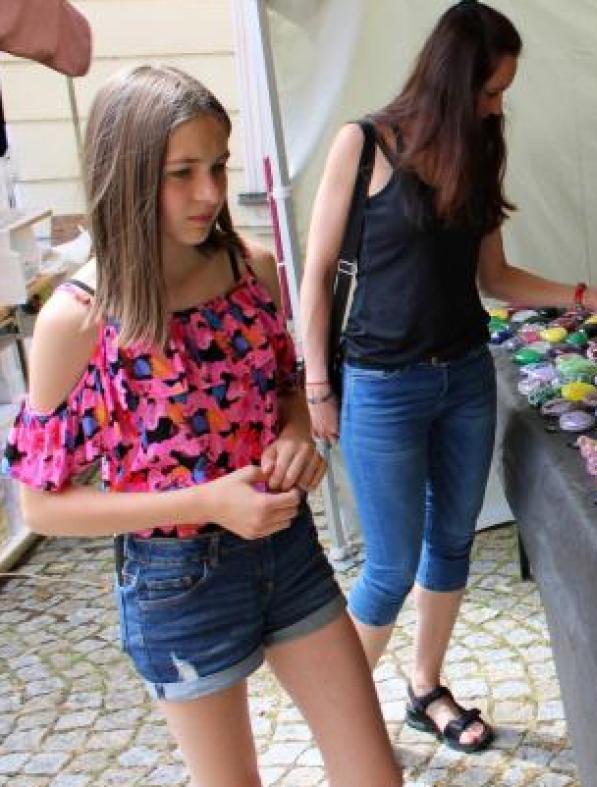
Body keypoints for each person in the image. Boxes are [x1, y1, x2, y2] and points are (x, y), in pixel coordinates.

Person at [3, 66, 402, 787]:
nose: (211, 192)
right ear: (126, 176)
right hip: (175, 579)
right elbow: (42, 507)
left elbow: (284, 387)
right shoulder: (80, 317)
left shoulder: (250, 267)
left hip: (287, 547)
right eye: (182, 173)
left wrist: (295, 435)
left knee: (375, 774)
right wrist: (207, 502)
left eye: (217, 165)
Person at [299, 1, 597, 753]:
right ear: (452, 80)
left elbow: (495, 278)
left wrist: (581, 295)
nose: (497, 106)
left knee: (450, 544)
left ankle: (425, 689)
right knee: (388, 566)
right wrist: (317, 386)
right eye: (489, 91)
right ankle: (341, 726)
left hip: (467, 378)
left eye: (502, 92)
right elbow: (315, 275)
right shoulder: (363, 144)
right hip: (381, 385)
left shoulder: (480, 148)